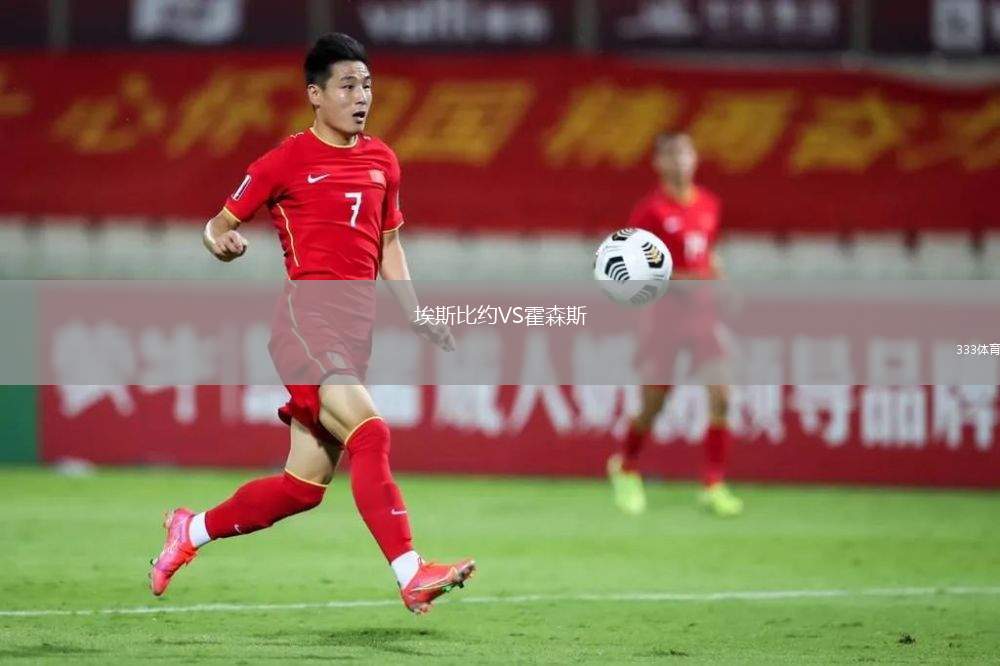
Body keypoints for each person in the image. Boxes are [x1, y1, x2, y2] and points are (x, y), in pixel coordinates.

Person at [149, 33, 474, 614]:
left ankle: (188, 530)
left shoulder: (383, 161)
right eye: (347, 86)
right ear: (315, 95)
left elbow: (389, 245)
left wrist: (416, 312)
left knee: (302, 488)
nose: (361, 97)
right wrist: (219, 241)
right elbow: (217, 223)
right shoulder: (286, 160)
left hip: (354, 333)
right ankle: (411, 571)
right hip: (306, 321)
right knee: (372, 433)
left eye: (367, 85)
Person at [607, 132, 743, 518]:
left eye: (684, 152)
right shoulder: (650, 212)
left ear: (695, 157)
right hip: (664, 319)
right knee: (654, 403)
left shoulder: (709, 205)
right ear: (658, 163)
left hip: (703, 318)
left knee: (722, 395)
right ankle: (626, 467)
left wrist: (723, 283)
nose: (679, 160)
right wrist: (684, 281)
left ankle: (713, 484)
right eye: (670, 155)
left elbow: (708, 255)